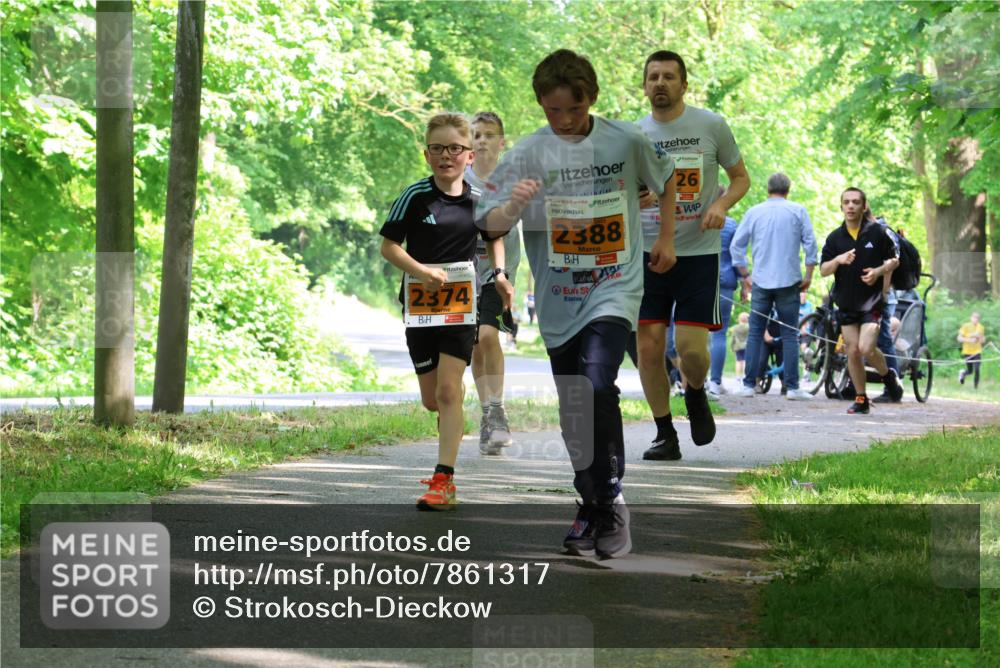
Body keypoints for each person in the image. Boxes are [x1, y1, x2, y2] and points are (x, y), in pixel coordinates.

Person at [477, 49, 677, 559]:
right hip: (558, 292)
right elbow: (490, 224)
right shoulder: (529, 152)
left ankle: (609, 499)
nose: (565, 121)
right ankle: (589, 501)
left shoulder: (625, 140)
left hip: (615, 283)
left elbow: (668, 179)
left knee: (595, 384)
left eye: (574, 108)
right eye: (553, 112)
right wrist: (516, 204)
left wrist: (668, 239)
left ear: (593, 98)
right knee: (573, 403)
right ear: (541, 106)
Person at [380, 112, 511, 510]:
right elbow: (389, 246)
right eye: (437, 148)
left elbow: (495, 239)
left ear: (470, 156)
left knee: (449, 391)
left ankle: (444, 480)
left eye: (455, 148)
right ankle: (451, 415)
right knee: (432, 400)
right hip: (420, 309)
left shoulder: (479, 199)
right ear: (426, 154)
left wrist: (500, 274)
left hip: (460, 308)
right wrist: (420, 271)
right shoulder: (415, 196)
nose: (446, 155)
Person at [633, 50, 750, 461]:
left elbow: (740, 179)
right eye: (653, 77)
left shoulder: (711, 125)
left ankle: (695, 391)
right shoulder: (635, 135)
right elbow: (623, 190)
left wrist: (720, 206)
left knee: (692, 351)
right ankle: (665, 432)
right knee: (648, 348)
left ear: (684, 84)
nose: (660, 83)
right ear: (644, 86)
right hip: (647, 254)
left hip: (699, 253)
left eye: (668, 77)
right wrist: (638, 193)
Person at [730, 173, 817, 401]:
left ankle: (749, 384)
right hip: (789, 280)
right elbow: (811, 244)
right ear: (788, 190)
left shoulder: (754, 212)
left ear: (768, 189)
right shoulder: (798, 210)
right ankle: (792, 387)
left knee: (755, 333)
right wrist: (808, 274)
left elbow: (736, 247)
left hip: (760, 281)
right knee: (790, 333)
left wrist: (745, 276)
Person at [819, 187, 903, 414]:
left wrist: (877, 271)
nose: (850, 206)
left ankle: (888, 377)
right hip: (846, 303)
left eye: (856, 202)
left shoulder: (877, 232)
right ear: (841, 206)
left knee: (866, 348)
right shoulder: (835, 238)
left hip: (872, 302)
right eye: (846, 202)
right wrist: (838, 259)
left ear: (864, 206)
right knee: (853, 351)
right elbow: (824, 270)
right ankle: (861, 398)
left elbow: (895, 260)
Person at [467, 112, 522, 455]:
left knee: (489, 335)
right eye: (476, 134)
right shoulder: (457, 179)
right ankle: (488, 413)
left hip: (499, 269)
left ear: (502, 143)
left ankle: (498, 410)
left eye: (489, 135)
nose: (483, 140)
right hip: (462, 271)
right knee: (474, 344)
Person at [708, 210, 739, 397]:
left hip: (700, 279)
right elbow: (737, 254)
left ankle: (695, 380)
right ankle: (715, 382)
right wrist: (744, 280)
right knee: (719, 333)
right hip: (725, 280)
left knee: (695, 331)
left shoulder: (696, 219)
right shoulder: (731, 224)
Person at [958, 312, 986, 389]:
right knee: (970, 371)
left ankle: (975, 387)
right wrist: (969, 339)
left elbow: (982, 339)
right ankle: (963, 373)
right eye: (974, 318)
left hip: (977, 352)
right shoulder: (965, 326)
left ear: (979, 320)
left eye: (977, 318)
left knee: (977, 369)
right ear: (971, 318)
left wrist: (981, 339)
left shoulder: (981, 327)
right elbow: (959, 338)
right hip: (967, 352)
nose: (975, 320)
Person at [731, 311, 749, 378]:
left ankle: (738, 376)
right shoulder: (748, 327)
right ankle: (745, 375)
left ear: (739, 319)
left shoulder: (735, 327)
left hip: (737, 347)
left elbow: (733, 338)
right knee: (745, 361)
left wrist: (732, 347)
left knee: (738, 361)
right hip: (747, 346)